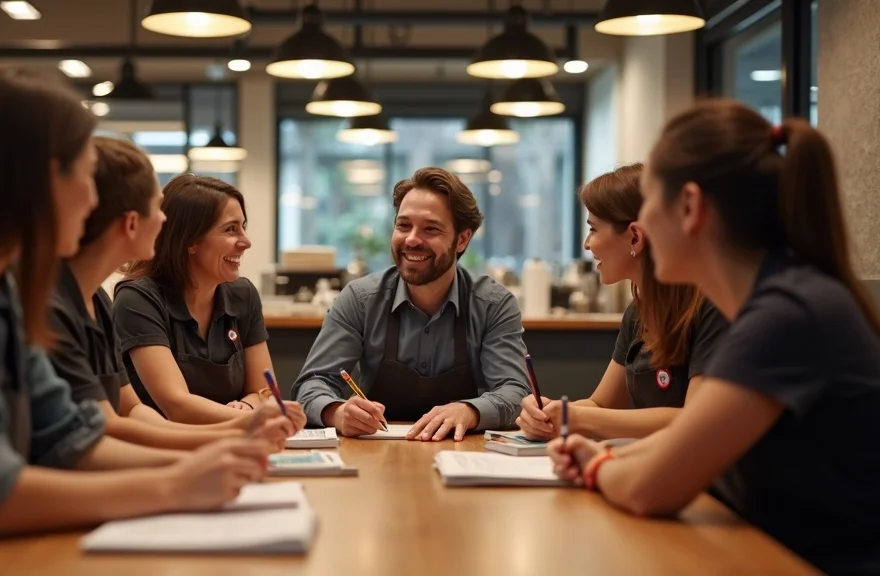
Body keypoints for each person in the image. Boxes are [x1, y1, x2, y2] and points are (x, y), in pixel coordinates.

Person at [0, 68, 271, 576]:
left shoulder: (1, 291)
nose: (94, 201)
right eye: (85, 175)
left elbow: (72, 438)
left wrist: (215, 462)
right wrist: (175, 484)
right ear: (42, 179)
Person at [548, 99, 880, 575]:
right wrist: (600, 453)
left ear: (689, 207)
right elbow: (688, 439)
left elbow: (649, 489)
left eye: (651, 202)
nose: (644, 227)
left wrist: (597, 467)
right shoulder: (774, 303)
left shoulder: (784, 317)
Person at [47, 136, 306, 451]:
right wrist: (239, 431)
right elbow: (127, 421)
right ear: (130, 221)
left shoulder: (96, 300)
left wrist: (235, 436)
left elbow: (129, 412)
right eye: (155, 208)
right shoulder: (77, 303)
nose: (163, 220)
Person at [292, 167, 531, 442]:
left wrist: (469, 411)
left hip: (461, 451)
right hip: (376, 455)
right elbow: (311, 384)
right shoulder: (360, 300)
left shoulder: (493, 305)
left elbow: (516, 392)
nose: (412, 239)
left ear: (462, 239)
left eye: (430, 229)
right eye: (403, 225)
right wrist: (337, 412)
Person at [516, 164, 727, 440]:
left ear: (635, 237)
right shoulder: (638, 312)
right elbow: (601, 405)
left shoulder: (712, 308)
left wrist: (572, 417)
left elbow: (696, 420)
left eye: (593, 229)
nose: (586, 244)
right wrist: (547, 416)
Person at [113, 174, 291, 425]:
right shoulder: (137, 299)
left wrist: (249, 405)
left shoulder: (243, 295)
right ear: (190, 240)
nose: (246, 242)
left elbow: (266, 392)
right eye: (230, 229)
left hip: (238, 441)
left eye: (243, 226)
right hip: (166, 445)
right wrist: (251, 419)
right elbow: (177, 406)